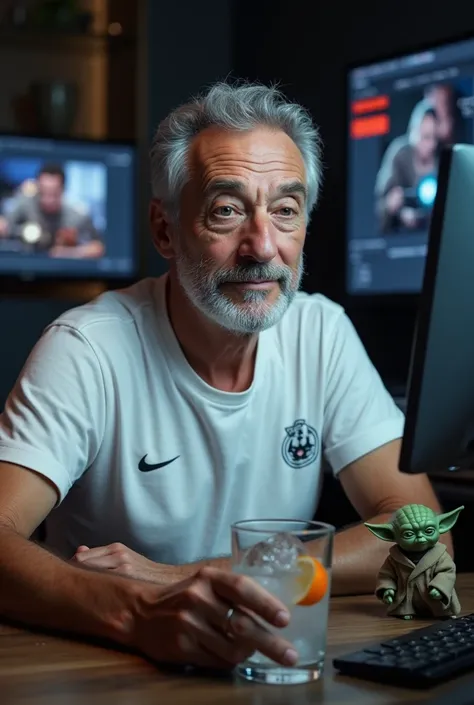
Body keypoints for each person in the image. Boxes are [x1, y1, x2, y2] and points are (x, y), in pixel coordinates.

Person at [0, 82, 447, 669]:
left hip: (276, 657)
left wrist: (183, 577)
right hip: (109, 676)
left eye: (286, 210)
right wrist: (138, 611)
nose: (262, 246)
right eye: (227, 210)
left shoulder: (321, 333)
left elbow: (424, 535)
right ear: (165, 230)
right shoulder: (87, 348)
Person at [0, 163, 104, 259]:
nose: (48, 200)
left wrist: (69, 253)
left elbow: (98, 248)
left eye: (53, 194)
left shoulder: (77, 215)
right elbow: (3, 224)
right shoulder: (25, 204)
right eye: (43, 192)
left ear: (63, 190)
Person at [375, 101, 438, 233]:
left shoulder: (442, 157)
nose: (431, 145)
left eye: (435, 137)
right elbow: (378, 208)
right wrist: (395, 208)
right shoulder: (399, 154)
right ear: (414, 132)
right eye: (426, 137)